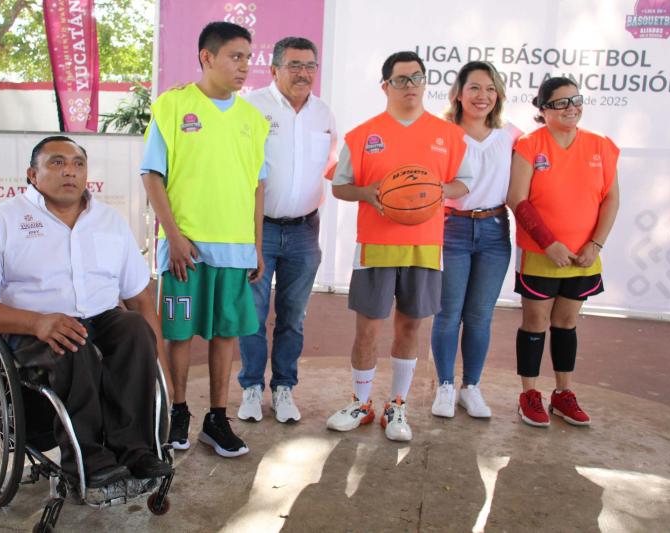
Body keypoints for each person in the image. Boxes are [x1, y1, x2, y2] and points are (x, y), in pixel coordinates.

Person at [0, 136, 173, 500]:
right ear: (32, 174)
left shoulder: (109, 221)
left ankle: (135, 450)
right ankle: (87, 460)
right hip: (31, 326)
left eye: (77, 163)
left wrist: (161, 368)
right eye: (56, 162)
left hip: (100, 317)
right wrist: (37, 322)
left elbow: (140, 299)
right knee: (72, 343)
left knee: (134, 328)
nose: (69, 171)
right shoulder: (1, 222)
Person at [141, 21, 269, 457]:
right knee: (179, 334)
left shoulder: (253, 120)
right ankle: (177, 412)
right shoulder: (172, 106)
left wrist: (257, 245)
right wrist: (174, 237)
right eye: (235, 56)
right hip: (186, 250)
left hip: (235, 250)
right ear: (207, 57)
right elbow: (152, 175)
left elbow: (258, 188)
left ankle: (216, 419)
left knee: (225, 335)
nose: (244, 66)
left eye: (248, 57)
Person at [326, 51, 468, 441]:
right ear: (385, 86)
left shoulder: (448, 135)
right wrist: (366, 193)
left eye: (417, 78)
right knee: (367, 329)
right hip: (376, 244)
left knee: (409, 325)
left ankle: (397, 406)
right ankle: (361, 403)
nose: (410, 86)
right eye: (402, 79)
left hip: (425, 245)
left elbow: (463, 183)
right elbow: (339, 187)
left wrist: (438, 190)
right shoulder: (362, 135)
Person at [507, 77, 620, 427]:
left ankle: (563, 393)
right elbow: (517, 199)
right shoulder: (529, 144)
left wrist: (595, 245)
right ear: (544, 110)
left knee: (566, 324)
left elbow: (611, 199)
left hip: (584, 257)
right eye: (561, 103)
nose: (571, 108)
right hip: (540, 254)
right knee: (535, 323)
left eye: (575, 100)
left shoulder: (601, 145)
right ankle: (529, 395)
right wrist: (548, 243)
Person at [237, 36, 337, 424]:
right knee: (253, 314)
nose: (304, 73)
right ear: (274, 69)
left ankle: (283, 387)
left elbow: (332, 166)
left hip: (304, 231)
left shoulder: (324, 114)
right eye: (295, 65)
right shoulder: (250, 108)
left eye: (310, 65)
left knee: (293, 317)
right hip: (257, 229)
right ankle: (251, 387)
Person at [429, 61, 522, 419]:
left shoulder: (511, 135)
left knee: (480, 315)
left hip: (495, 231)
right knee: (448, 313)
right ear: (458, 93)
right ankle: (445, 386)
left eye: (490, 89)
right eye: (474, 88)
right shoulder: (442, 133)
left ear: (498, 95)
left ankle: (471, 388)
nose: (483, 96)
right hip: (451, 227)